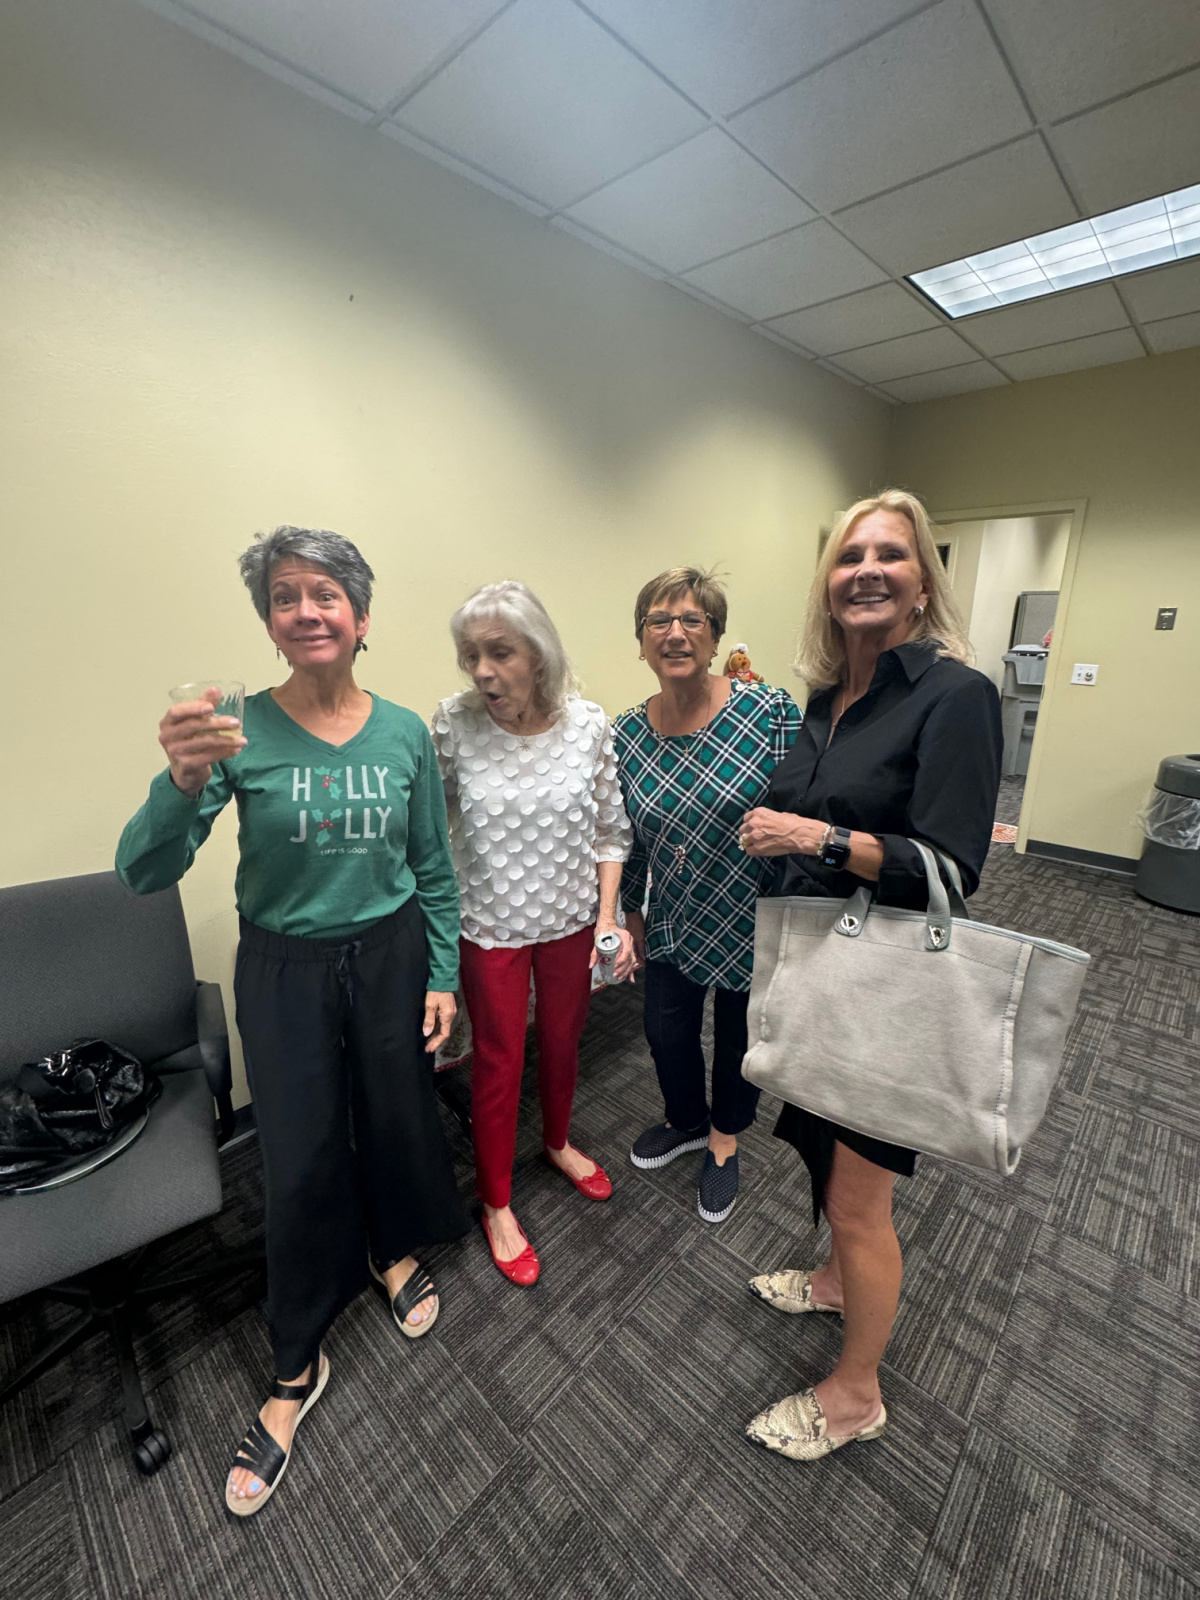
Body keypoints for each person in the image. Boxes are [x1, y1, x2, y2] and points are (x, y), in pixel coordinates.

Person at [116, 525, 469, 1516]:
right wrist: (181, 782)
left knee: (397, 1112)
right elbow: (144, 870)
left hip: (393, 950)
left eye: (326, 593)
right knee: (301, 1153)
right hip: (284, 968)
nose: (305, 609)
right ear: (270, 622)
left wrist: (440, 974)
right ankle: (293, 1362)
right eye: (284, 596)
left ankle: (390, 1247)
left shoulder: (403, 732)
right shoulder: (235, 728)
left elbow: (434, 870)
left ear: (361, 615)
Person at [739, 490, 1001, 1463]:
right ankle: (837, 1283)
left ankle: (856, 1394)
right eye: (852, 554)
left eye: (893, 554)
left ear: (922, 583)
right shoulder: (822, 700)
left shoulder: (956, 695)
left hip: (892, 985)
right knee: (819, 1152)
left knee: (861, 1201)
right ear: (829, 580)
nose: (869, 569)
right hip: (821, 969)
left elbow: (948, 865)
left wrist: (817, 834)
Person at [432, 581, 635, 1287]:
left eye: (499, 653)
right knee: (497, 1061)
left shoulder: (588, 725)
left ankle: (555, 1142)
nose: (481, 670)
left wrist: (608, 916)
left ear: (538, 654)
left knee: (560, 1043)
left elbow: (612, 832)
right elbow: (428, 835)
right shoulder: (453, 725)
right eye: (470, 656)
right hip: (489, 926)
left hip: (573, 921)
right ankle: (495, 1202)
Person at [613, 568, 801, 1224]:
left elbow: (801, 809)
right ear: (640, 642)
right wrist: (630, 916)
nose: (674, 633)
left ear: (716, 636)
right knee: (665, 1031)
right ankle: (687, 1121)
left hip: (753, 908)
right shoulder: (627, 736)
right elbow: (627, 836)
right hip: (674, 913)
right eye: (658, 621)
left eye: (692, 620)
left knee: (737, 1039)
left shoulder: (768, 710)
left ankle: (724, 1141)